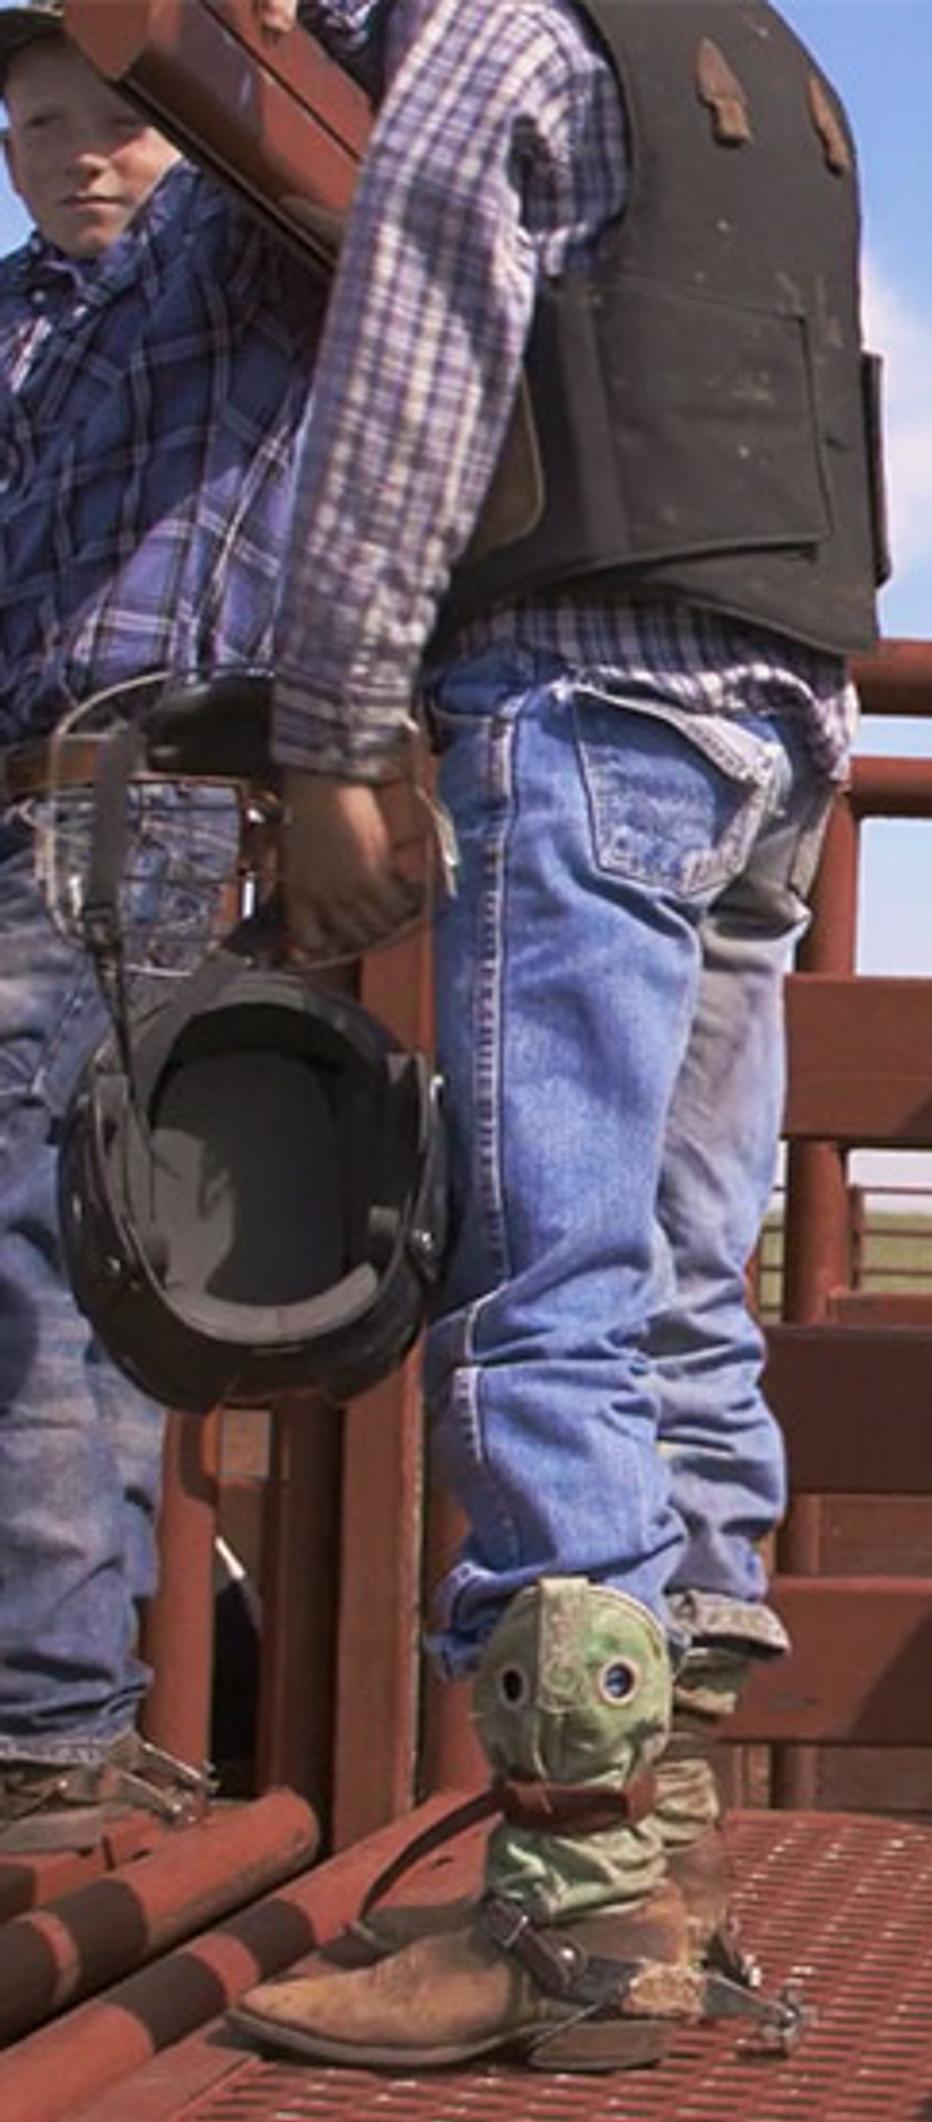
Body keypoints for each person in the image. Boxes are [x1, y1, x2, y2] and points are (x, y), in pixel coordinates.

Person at [225, 0, 880, 2072]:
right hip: (777, 721)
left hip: (590, 707)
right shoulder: (778, 67)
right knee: (684, 1295)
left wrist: (333, 736)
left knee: (545, 1300)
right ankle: (653, 1847)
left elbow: (411, 390)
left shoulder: (504, 36)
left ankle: (578, 1906)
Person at [0, 0, 359, 1856]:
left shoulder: (223, 269)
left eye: (111, 119)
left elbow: (282, 114)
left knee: (63, 1232)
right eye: (39, 125)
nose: (78, 154)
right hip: (26, 799)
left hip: (139, 801)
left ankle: (48, 1713)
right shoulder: (13, 327)